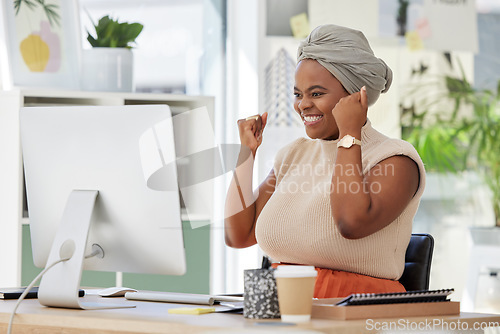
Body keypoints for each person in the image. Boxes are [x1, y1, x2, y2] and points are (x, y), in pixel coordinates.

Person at [224, 24, 425, 298]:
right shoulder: (293, 154)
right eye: (298, 94)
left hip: (356, 309)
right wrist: (246, 153)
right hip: (279, 302)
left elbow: (351, 223)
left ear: (357, 96)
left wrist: (350, 134)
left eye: (316, 94)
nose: (302, 104)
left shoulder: (395, 159)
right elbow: (239, 235)